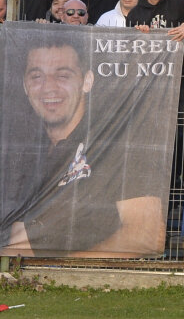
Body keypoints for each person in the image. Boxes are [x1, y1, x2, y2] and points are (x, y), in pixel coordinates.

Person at [2, 34, 164, 257]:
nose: (49, 87)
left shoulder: (116, 142)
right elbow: (16, 237)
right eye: (37, 76)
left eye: (62, 75)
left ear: (87, 81)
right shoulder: (22, 148)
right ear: (24, 85)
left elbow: (147, 237)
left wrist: (59, 266)